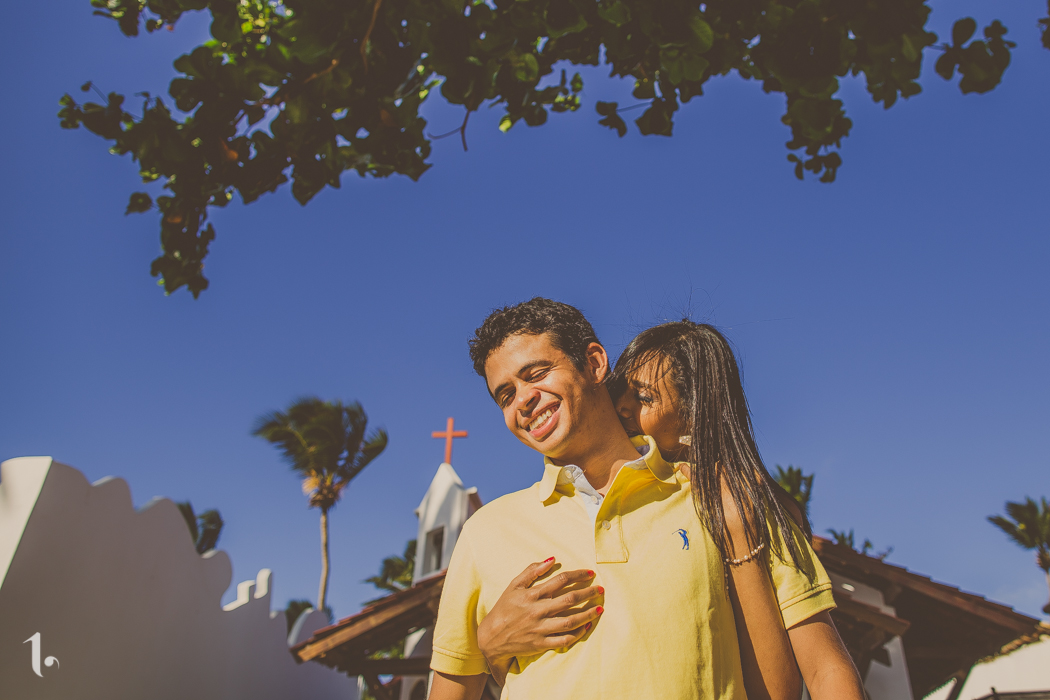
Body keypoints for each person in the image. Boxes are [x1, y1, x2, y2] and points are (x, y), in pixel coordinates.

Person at [427, 299, 855, 699]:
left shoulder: (724, 498)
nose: (522, 399)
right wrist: (487, 646)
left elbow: (820, 669)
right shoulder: (487, 530)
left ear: (594, 364)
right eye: (505, 394)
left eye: (536, 373)